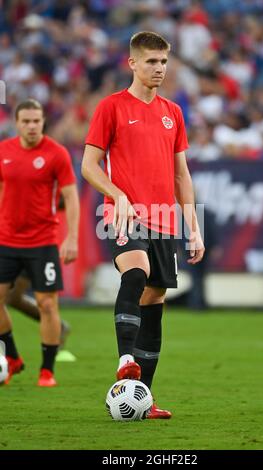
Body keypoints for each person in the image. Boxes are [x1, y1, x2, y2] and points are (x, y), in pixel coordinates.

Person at [82, 31, 204, 418]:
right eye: (151, 61)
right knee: (136, 273)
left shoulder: (173, 112)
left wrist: (193, 227)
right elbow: (88, 165)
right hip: (123, 214)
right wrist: (117, 195)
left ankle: (142, 398)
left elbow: (182, 176)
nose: (159, 69)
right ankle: (124, 362)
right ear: (132, 63)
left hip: (166, 219)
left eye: (164, 62)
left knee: (154, 301)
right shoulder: (111, 107)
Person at [0, 98, 80, 387]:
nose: (32, 126)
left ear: (43, 121)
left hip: (42, 241)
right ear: (16, 123)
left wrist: (72, 237)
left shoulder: (56, 154)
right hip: (6, 240)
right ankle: (12, 357)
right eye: (26, 121)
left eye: (37, 121)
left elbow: (71, 196)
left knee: (47, 304)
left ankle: (47, 371)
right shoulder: (3, 151)